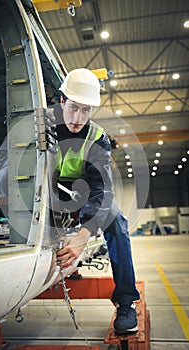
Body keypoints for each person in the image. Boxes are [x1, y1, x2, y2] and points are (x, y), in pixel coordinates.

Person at [53, 68, 140, 335]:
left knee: (116, 220)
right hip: (47, 192)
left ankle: (126, 301)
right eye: (74, 108)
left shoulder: (97, 137)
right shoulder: (38, 125)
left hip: (82, 192)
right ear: (62, 102)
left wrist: (84, 234)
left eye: (86, 111)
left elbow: (101, 189)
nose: (78, 118)